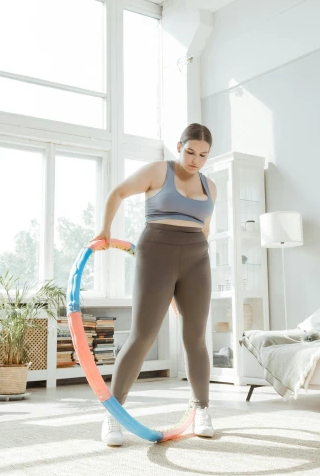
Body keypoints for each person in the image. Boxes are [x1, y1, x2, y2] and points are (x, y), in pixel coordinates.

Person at [93, 123, 217, 447]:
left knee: (196, 338)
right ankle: (113, 415)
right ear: (179, 146)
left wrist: (187, 278)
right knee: (143, 336)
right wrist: (105, 230)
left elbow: (205, 230)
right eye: (190, 152)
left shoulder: (210, 186)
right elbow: (117, 192)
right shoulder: (158, 171)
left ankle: (202, 409)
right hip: (156, 253)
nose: (195, 160)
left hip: (196, 259)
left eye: (203, 155)